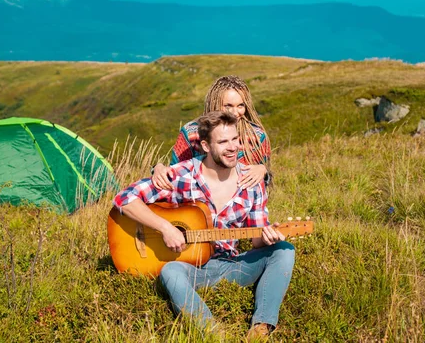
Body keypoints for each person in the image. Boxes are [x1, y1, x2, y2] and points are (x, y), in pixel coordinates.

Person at [113, 111, 295, 340]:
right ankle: (213, 334)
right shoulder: (182, 174)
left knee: (284, 250)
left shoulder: (251, 181)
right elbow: (124, 199)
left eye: (234, 140)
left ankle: (261, 327)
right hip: (191, 268)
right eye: (223, 142)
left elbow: (257, 241)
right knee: (170, 271)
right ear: (206, 146)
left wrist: (269, 236)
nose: (232, 148)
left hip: (233, 265)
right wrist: (165, 228)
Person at [152, 75, 271, 191]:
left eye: (240, 105)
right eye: (228, 106)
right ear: (214, 103)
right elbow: (175, 173)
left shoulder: (256, 136)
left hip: (240, 204)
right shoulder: (191, 133)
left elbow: (265, 183)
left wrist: (263, 170)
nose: (235, 112)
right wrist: (158, 168)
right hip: (198, 202)